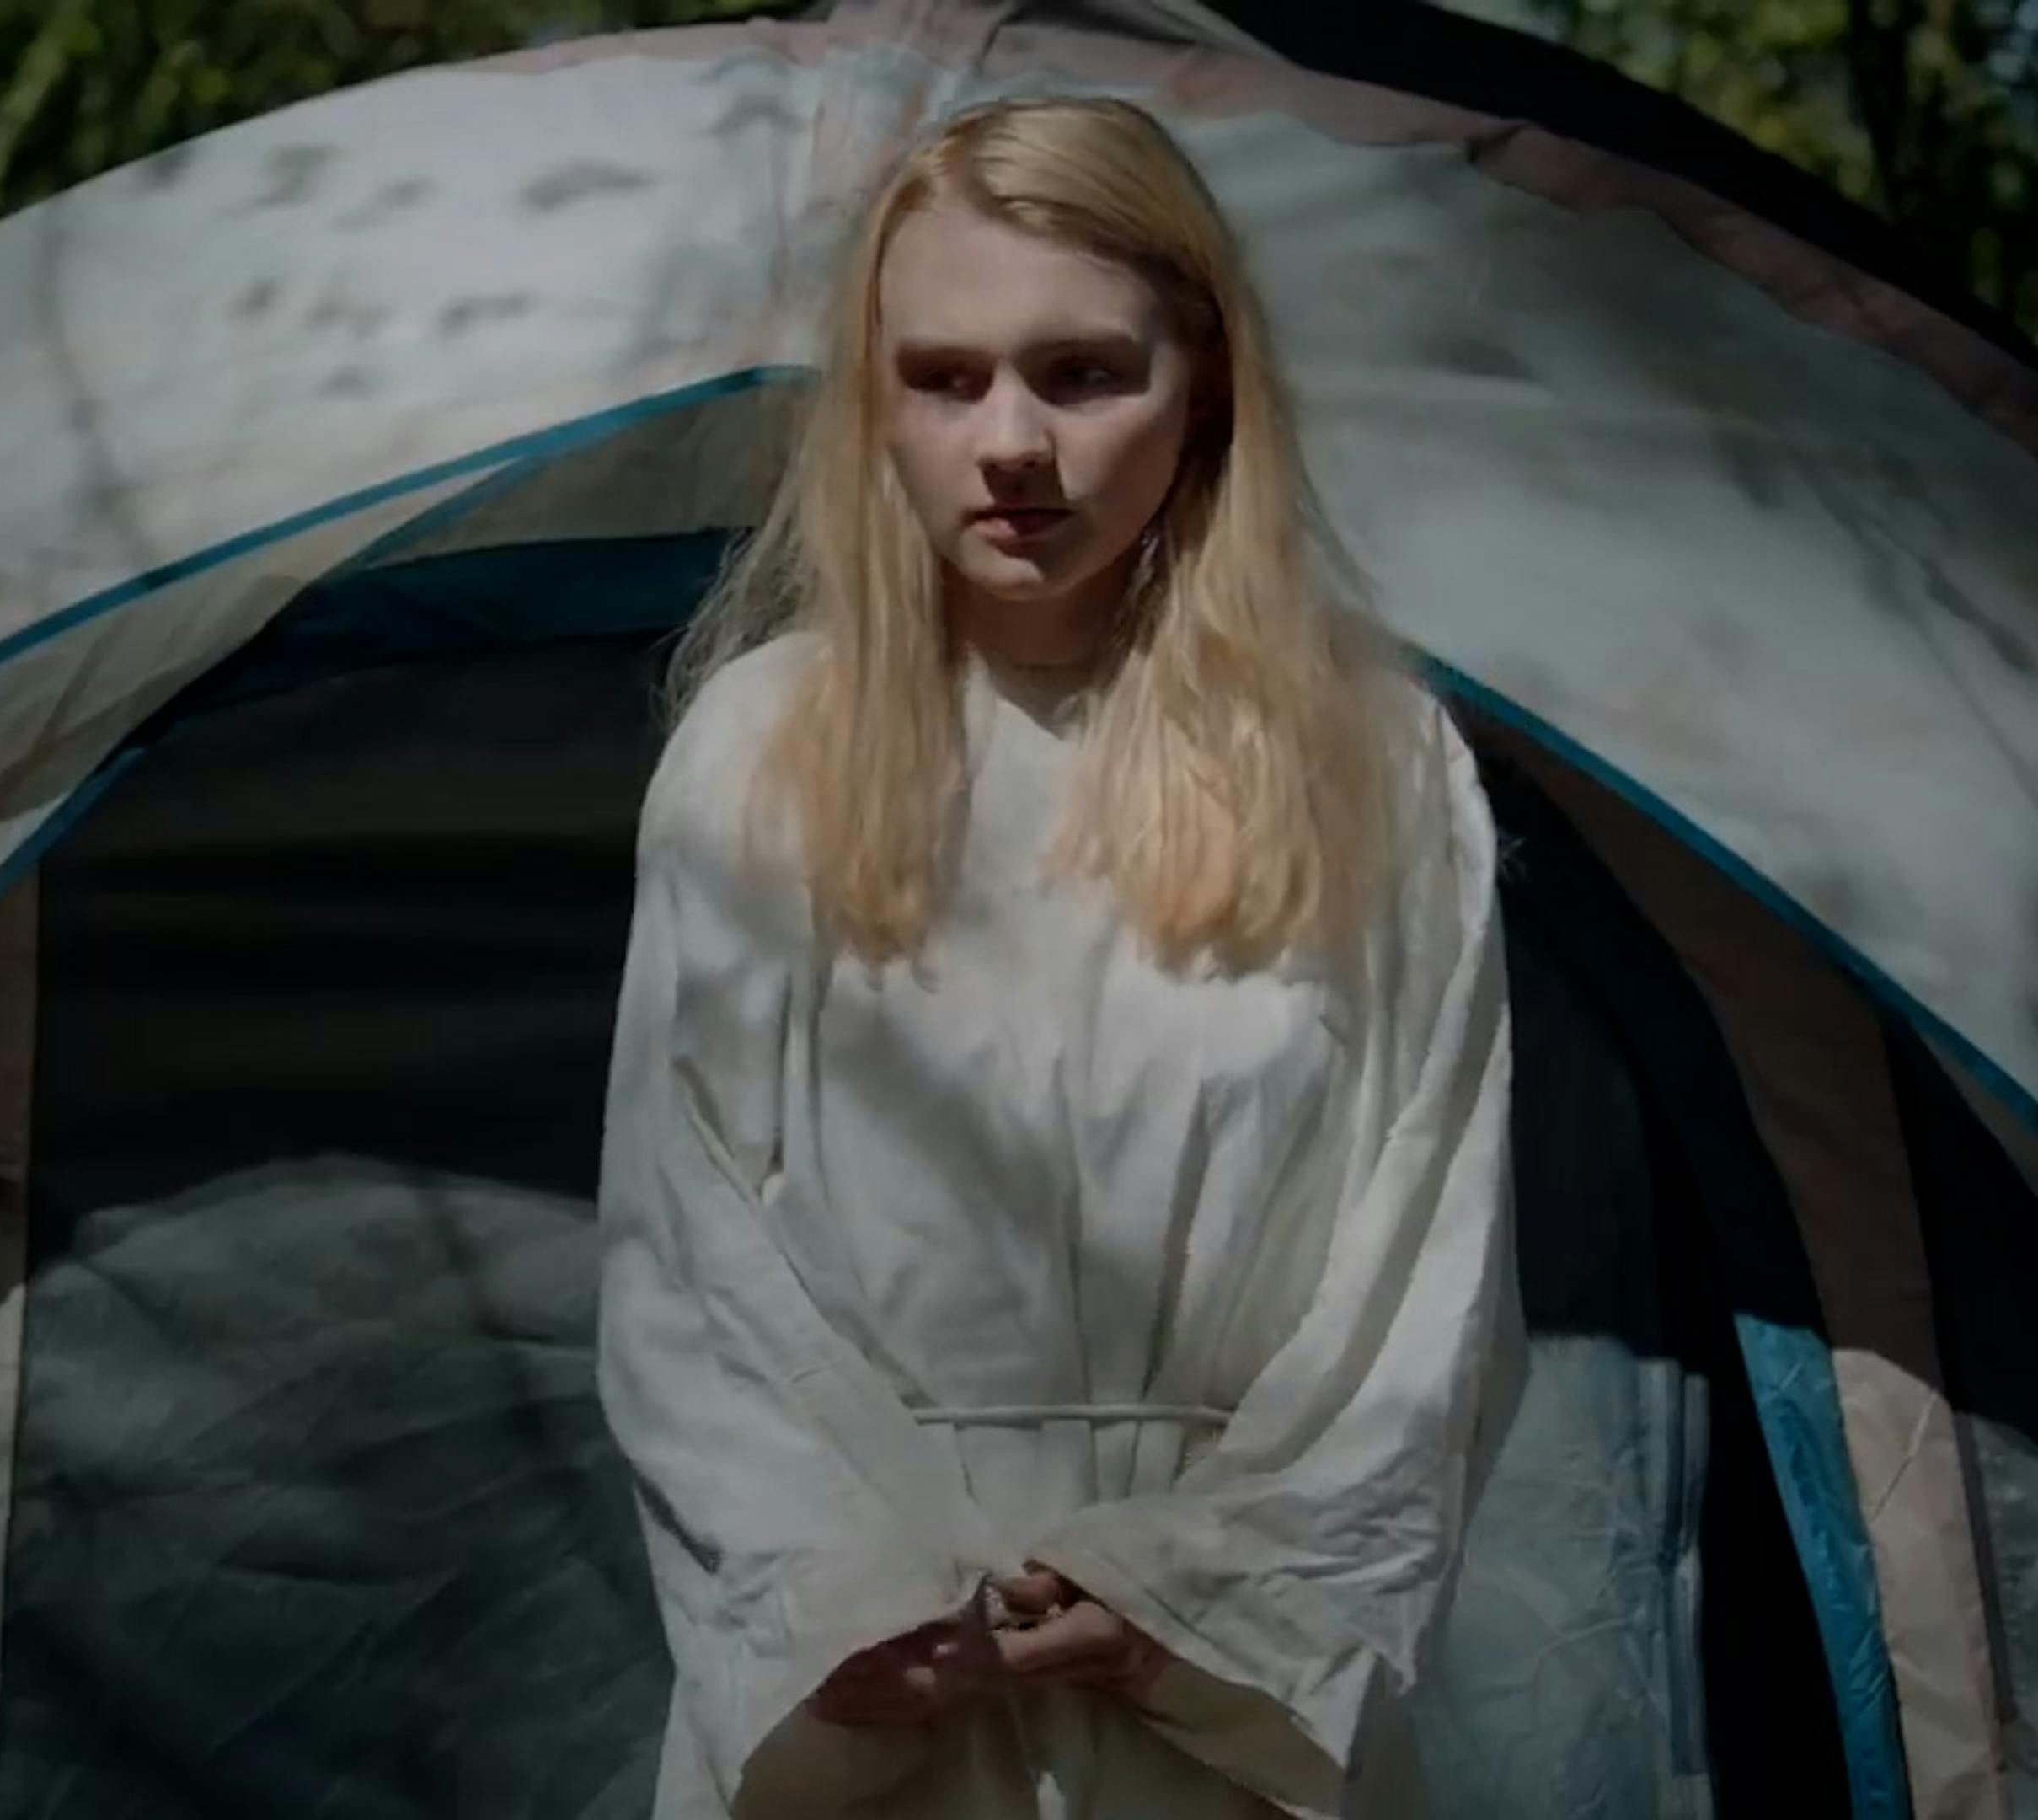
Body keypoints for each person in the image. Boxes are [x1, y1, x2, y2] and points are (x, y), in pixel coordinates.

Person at [594, 95, 1520, 1819]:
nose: (1010, 440)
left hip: (1231, 1708)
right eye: (944, 377)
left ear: (1208, 386)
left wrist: (1193, 1593)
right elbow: (682, 1243)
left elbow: (1429, 1261)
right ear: (872, 399)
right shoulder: (760, 752)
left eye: (1083, 373)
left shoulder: (1374, 766)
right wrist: (827, 1590)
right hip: (874, 1701)